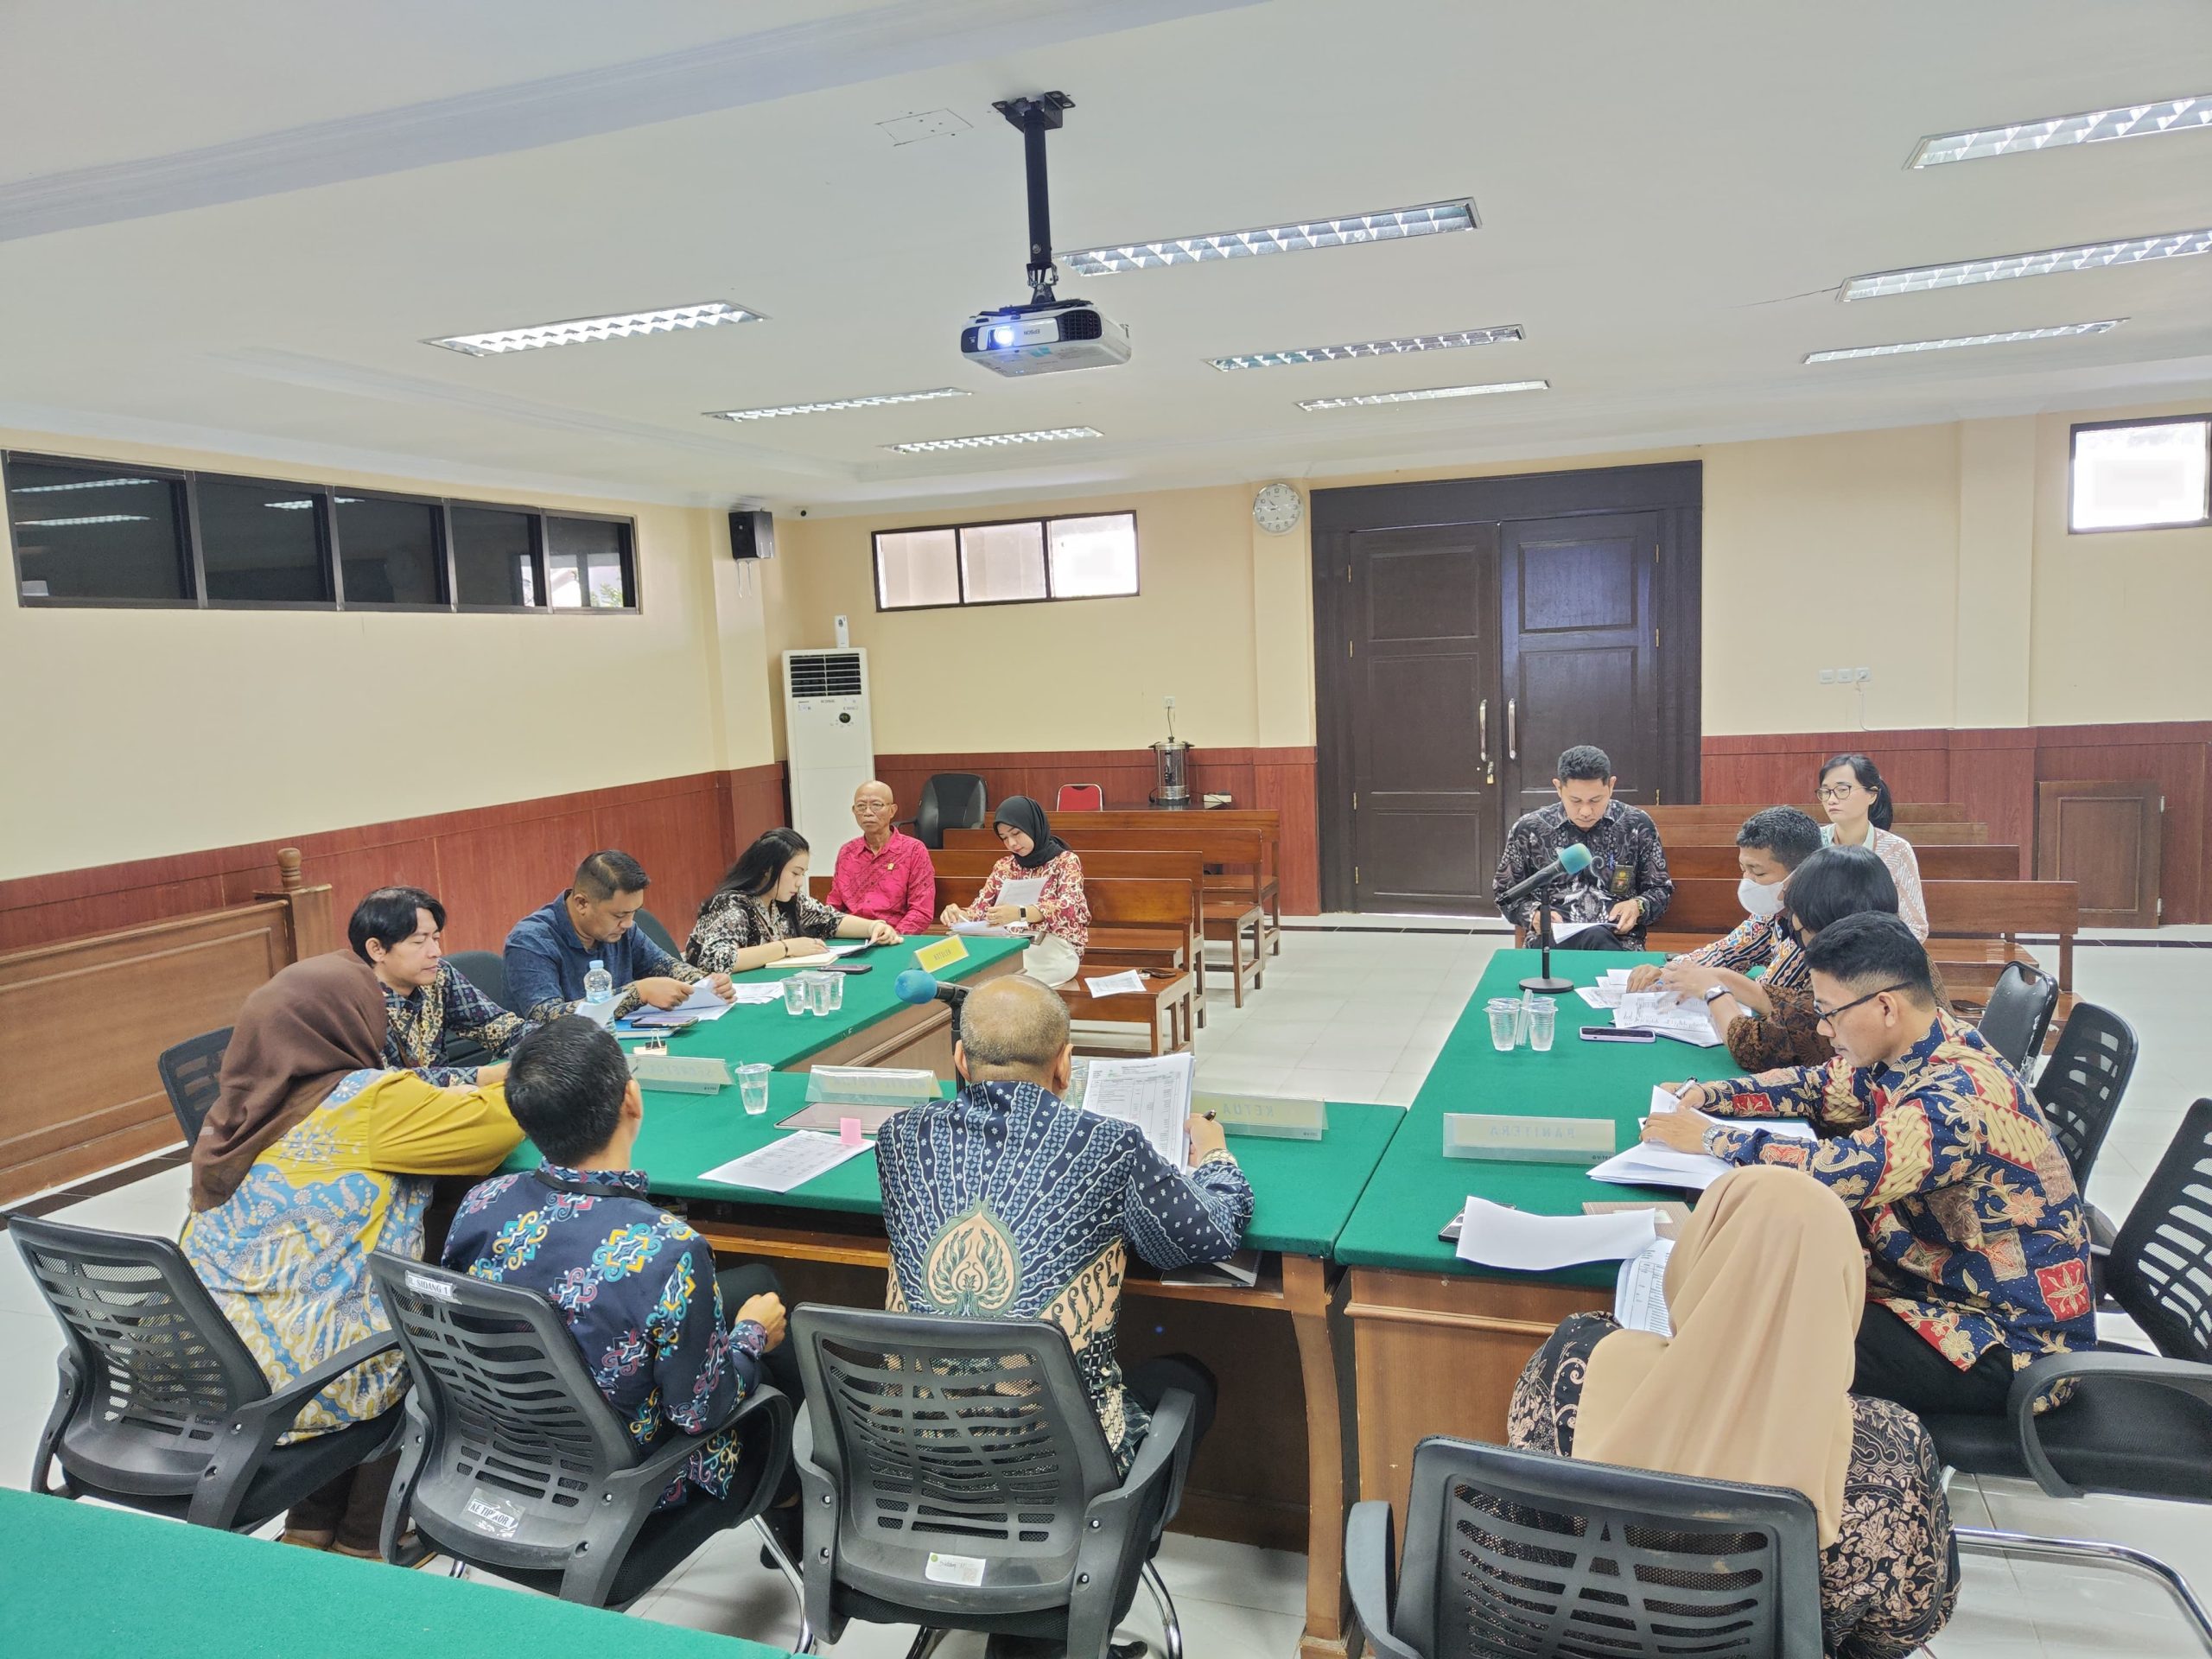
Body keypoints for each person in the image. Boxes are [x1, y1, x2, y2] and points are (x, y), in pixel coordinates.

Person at [1642, 912, 2093, 1415]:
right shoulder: (1919, 1045)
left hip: (2002, 1341)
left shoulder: (1955, 1098)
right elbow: (1817, 1087)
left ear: (1885, 1007)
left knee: (1759, 1335)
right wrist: (1714, 1095)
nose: (1822, 1027)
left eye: (1829, 1012)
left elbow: (1838, 1173)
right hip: (1931, 1287)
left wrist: (1713, 1138)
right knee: (1765, 1294)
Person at [1510, 1166, 1957, 1659]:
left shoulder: (1572, 1361)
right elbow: (1905, 1626)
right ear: (1846, 1282)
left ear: (1695, 1259)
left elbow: (1523, 1536)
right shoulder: (1892, 1447)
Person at [182, 951, 523, 1557]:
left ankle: (310, 1526)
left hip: (210, 1370)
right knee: (431, 1330)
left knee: (334, 1306)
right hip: (309, 1388)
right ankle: (368, 1538)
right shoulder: (367, 1102)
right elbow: (501, 1124)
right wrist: (508, 1079)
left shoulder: (238, 1106)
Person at [875, 976, 1252, 1473]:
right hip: (1061, 1471)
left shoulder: (899, 1136)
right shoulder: (1109, 1144)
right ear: (1065, 1064)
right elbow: (1211, 1233)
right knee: (1187, 1380)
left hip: (909, 1460)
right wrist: (1216, 1154)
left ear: (961, 1060)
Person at [443, 1017, 794, 1511]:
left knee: (756, 1282)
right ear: (632, 1098)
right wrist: (752, 1336)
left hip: (500, 1448)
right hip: (630, 1486)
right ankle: (794, 1503)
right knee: (770, 1349)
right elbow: (699, 1411)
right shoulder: (670, 1249)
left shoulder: (480, 1202)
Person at [1699, 845, 1949, 1069]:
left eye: (1799, 924)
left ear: (1826, 924)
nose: (1794, 926)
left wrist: (1714, 992)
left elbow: (1754, 1045)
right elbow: (1800, 1007)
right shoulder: (1895, 944)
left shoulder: (1849, 979)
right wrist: (1725, 980)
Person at [505, 849, 733, 1025]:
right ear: (582, 903)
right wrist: (637, 993)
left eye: (634, 912)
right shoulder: (530, 941)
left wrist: (706, 982)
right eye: (619, 915)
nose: (629, 924)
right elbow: (546, 1018)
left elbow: (667, 967)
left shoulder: (622, 929)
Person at [1625, 806, 1822, 998]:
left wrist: (1709, 981)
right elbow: (1727, 952)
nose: (1748, 881)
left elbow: (1769, 997)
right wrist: (1669, 971)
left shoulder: (1815, 926)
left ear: (1802, 871)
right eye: (1743, 869)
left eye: (1758, 872)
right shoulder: (1773, 910)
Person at [1492, 745, 1672, 950]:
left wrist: (1637, 906)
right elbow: (1505, 894)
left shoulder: (1637, 825)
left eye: (1595, 800)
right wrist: (1533, 914)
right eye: (1575, 800)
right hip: (1551, 941)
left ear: (1611, 786)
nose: (1586, 811)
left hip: (1619, 941)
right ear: (1558, 788)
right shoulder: (1529, 829)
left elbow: (1660, 889)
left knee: (1597, 938)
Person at [350, 885, 524, 1087]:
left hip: (449, 1101)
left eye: (435, 938)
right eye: (419, 942)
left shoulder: (439, 975)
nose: (436, 952)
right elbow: (382, 1083)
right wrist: (482, 1076)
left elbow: (498, 1027)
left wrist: (547, 1043)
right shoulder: (352, 1002)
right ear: (377, 949)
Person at [685, 827, 901, 975]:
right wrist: (787, 947)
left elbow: (831, 920)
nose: (799, 883)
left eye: (803, 874)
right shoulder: (732, 904)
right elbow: (719, 960)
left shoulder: (786, 899)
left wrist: (874, 927)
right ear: (768, 870)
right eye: (795, 873)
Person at [938, 796, 1090, 988]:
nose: (1012, 843)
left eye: (1016, 833)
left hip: (1053, 947)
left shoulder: (1065, 861)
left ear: (1032, 826)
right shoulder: (1004, 866)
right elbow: (980, 910)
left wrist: (1021, 913)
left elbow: (1069, 906)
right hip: (1010, 944)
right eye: (1004, 838)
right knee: (976, 969)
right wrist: (959, 914)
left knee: (1002, 978)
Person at [1816, 753, 1926, 939]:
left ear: (1872, 795)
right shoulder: (1813, 843)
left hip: (1878, 950)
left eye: (1842, 790)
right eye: (1825, 791)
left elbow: (1916, 926)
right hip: (1819, 950)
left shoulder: (1897, 850)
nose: (1831, 799)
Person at [824, 779, 937, 936]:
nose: (868, 812)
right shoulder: (847, 852)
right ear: (854, 811)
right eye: (861, 806)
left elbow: (921, 911)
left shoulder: (914, 851)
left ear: (892, 810)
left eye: (876, 805)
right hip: (853, 936)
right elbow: (834, 906)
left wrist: (894, 936)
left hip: (896, 936)